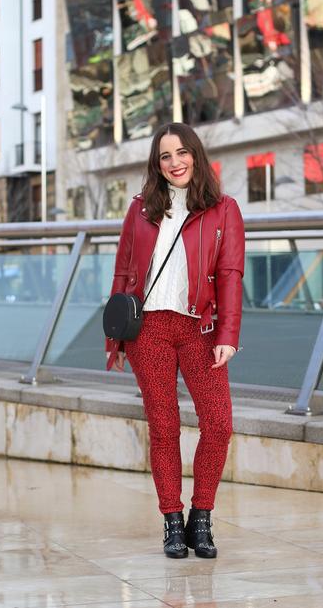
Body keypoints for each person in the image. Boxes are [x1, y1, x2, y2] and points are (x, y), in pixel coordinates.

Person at [105, 122, 245, 559]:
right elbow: (124, 274)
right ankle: (172, 522)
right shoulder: (141, 209)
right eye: (165, 156)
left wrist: (229, 335)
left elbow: (230, 277)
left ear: (196, 156)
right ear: (157, 162)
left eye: (182, 153)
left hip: (200, 331)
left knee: (218, 425)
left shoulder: (224, 209)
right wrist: (117, 342)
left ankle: (200, 519)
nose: (175, 162)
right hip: (149, 330)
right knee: (164, 428)